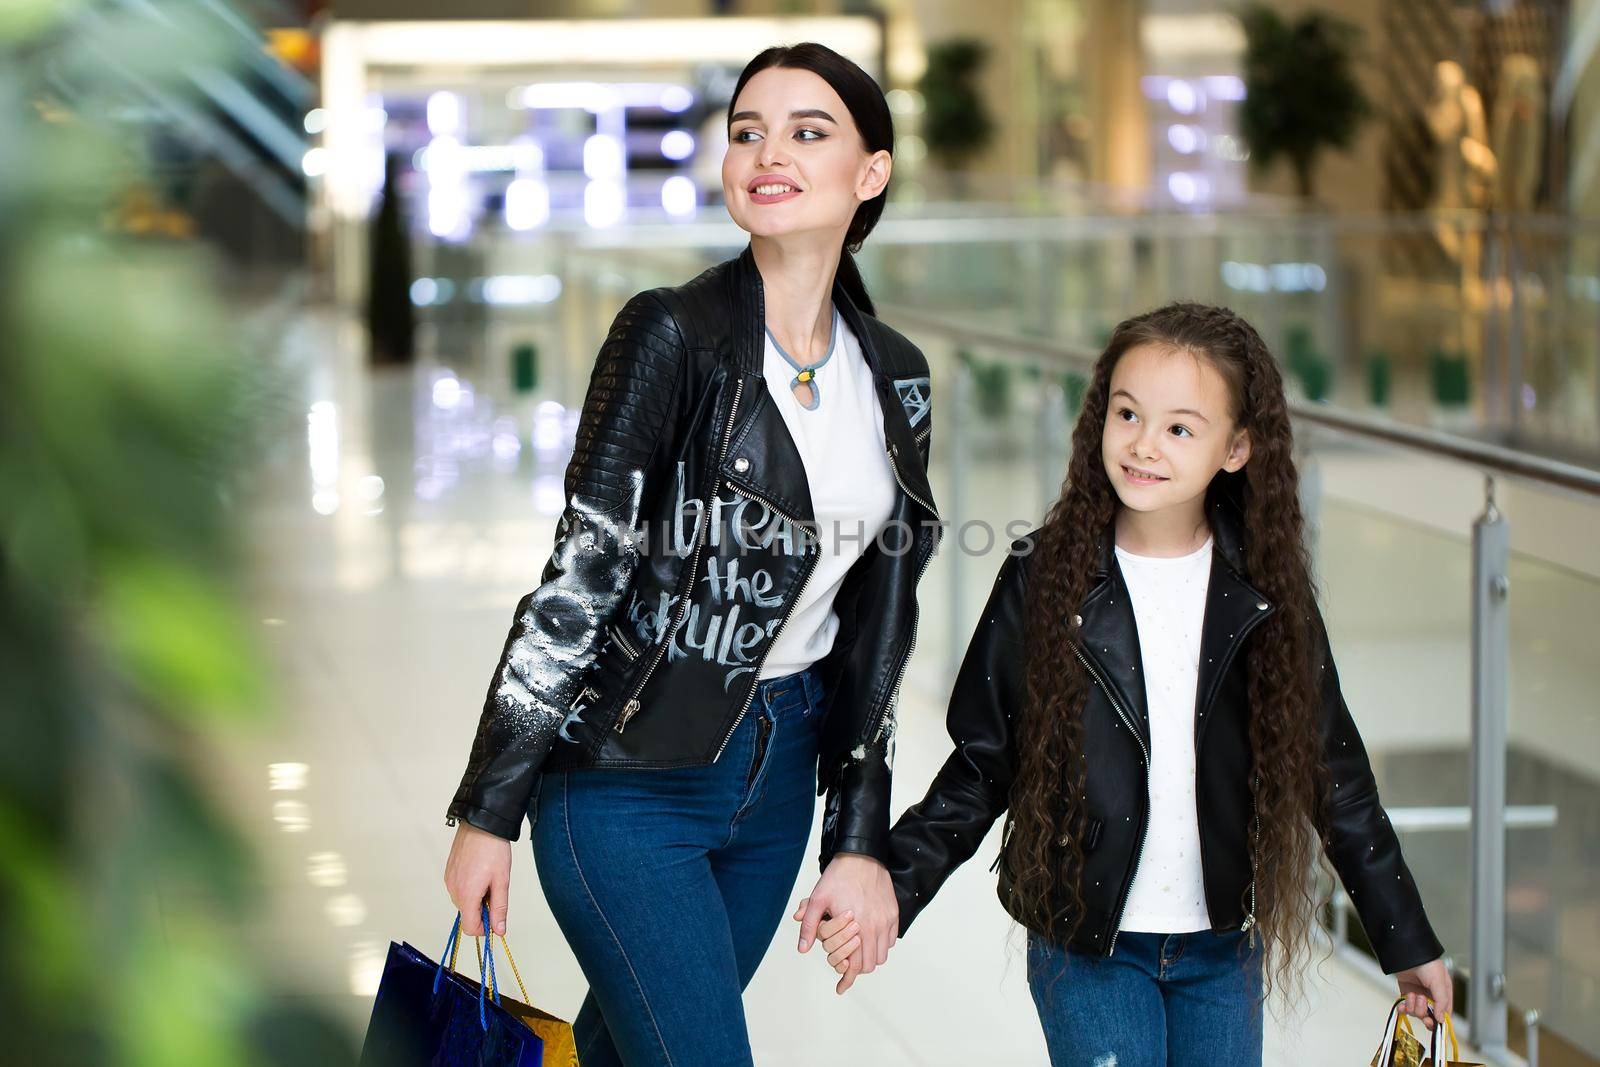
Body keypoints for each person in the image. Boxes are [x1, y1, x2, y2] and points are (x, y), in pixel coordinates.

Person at [443, 42, 941, 1067]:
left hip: (777, 775)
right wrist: (488, 807)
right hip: (626, 779)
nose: (768, 152)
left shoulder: (894, 372)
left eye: (809, 132)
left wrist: (856, 830)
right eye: (748, 132)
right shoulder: (671, 333)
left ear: (871, 173)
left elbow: (879, 624)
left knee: (628, 1051)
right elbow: (579, 576)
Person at [809, 303, 1452, 1066]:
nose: (1144, 444)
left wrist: (1404, 939)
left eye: (1181, 428)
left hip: (1221, 950)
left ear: (1238, 446)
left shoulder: (1263, 595)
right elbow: (983, 763)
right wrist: (894, 884)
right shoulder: (1044, 576)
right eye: (1127, 413)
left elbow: (1336, 779)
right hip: (1087, 949)